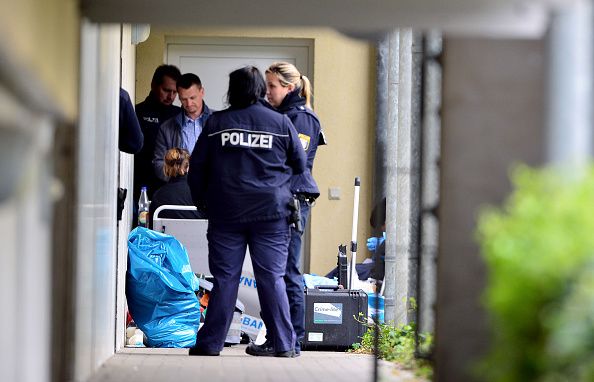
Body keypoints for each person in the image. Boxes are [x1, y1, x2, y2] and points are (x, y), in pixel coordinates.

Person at [187, 66, 306, 358]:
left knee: (225, 279)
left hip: (226, 214)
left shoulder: (216, 124)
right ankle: (284, 344)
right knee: (272, 278)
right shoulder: (279, 122)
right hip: (271, 214)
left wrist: (204, 203)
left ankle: (211, 344)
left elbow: (197, 170)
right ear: (260, 90)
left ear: (232, 89)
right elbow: (300, 165)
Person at [246, 61, 327, 356]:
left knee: (287, 271)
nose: (268, 92)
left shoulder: (302, 118)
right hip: (277, 199)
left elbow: (295, 161)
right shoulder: (282, 115)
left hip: (293, 201)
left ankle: (291, 339)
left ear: (289, 87)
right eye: (266, 85)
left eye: (273, 86)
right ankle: (279, 337)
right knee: (273, 272)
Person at [134, 64, 182, 203]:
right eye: (166, 90)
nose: (171, 96)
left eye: (175, 92)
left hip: (172, 191)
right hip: (141, 190)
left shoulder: (180, 115)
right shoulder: (138, 113)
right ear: (153, 85)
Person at [153, 73, 212, 183]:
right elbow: (159, 163)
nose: (189, 103)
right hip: (180, 191)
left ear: (202, 92)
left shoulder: (218, 121)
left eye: (192, 97)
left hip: (211, 190)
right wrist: (178, 177)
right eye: (183, 99)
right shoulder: (166, 128)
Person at [148, 147, 205, 229]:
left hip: (169, 242)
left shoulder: (158, 196)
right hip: (199, 241)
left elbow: (151, 229)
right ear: (188, 167)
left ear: (166, 168)